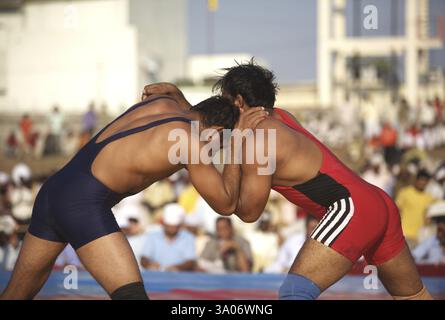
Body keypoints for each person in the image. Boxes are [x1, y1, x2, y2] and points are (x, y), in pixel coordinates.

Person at [142, 61, 433, 300]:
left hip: (352, 209)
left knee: (295, 293)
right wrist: (182, 102)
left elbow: (247, 212)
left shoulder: (257, 140)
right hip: (378, 203)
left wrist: (237, 141)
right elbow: (217, 123)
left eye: (225, 100)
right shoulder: (281, 118)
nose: (222, 106)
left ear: (239, 102)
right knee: (414, 297)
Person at [0, 94, 267, 300]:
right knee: (132, 296)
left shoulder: (164, 102)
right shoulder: (190, 141)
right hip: (82, 205)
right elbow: (227, 203)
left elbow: (184, 110)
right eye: (217, 146)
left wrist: (177, 92)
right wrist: (238, 143)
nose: (210, 155)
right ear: (218, 133)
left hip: (53, 191)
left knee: (16, 295)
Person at [140, 204, 196, 271]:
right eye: (169, 226)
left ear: (180, 226)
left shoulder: (188, 237)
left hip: (180, 277)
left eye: (175, 227)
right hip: (155, 275)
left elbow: (190, 262)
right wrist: (150, 265)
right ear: (164, 224)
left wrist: (177, 268)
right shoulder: (152, 236)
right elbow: (143, 259)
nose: (172, 229)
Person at [396, 170, 436, 248]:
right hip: (403, 234)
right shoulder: (405, 192)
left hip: (419, 238)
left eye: (426, 180)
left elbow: (428, 218)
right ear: (416, 180)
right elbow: (397, 211)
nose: (423, 182)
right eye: (421, 180)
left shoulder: (429, 198)